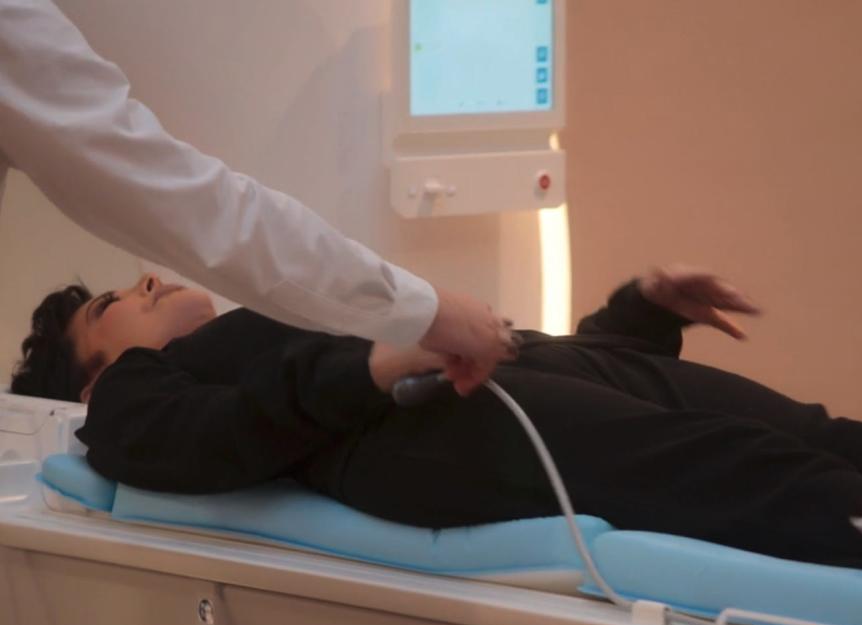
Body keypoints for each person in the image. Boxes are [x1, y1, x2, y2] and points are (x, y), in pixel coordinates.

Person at [11, 265, 862, 574]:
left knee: (840, 439)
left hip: (550, 376)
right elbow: (191, 443)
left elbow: (534, 358)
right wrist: (369, 364)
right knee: (751, 472)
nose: (144, 279)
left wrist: (640, 313)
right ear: (94, 379)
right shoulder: (139, 392)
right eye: (114, 306)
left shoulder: (274, 304)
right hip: (436, 432)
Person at [0, 0, 512, 394]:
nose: (147, 279)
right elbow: (197, 209)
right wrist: (413, 326)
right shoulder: (188, 413)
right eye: (107, 304)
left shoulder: (256, 341)